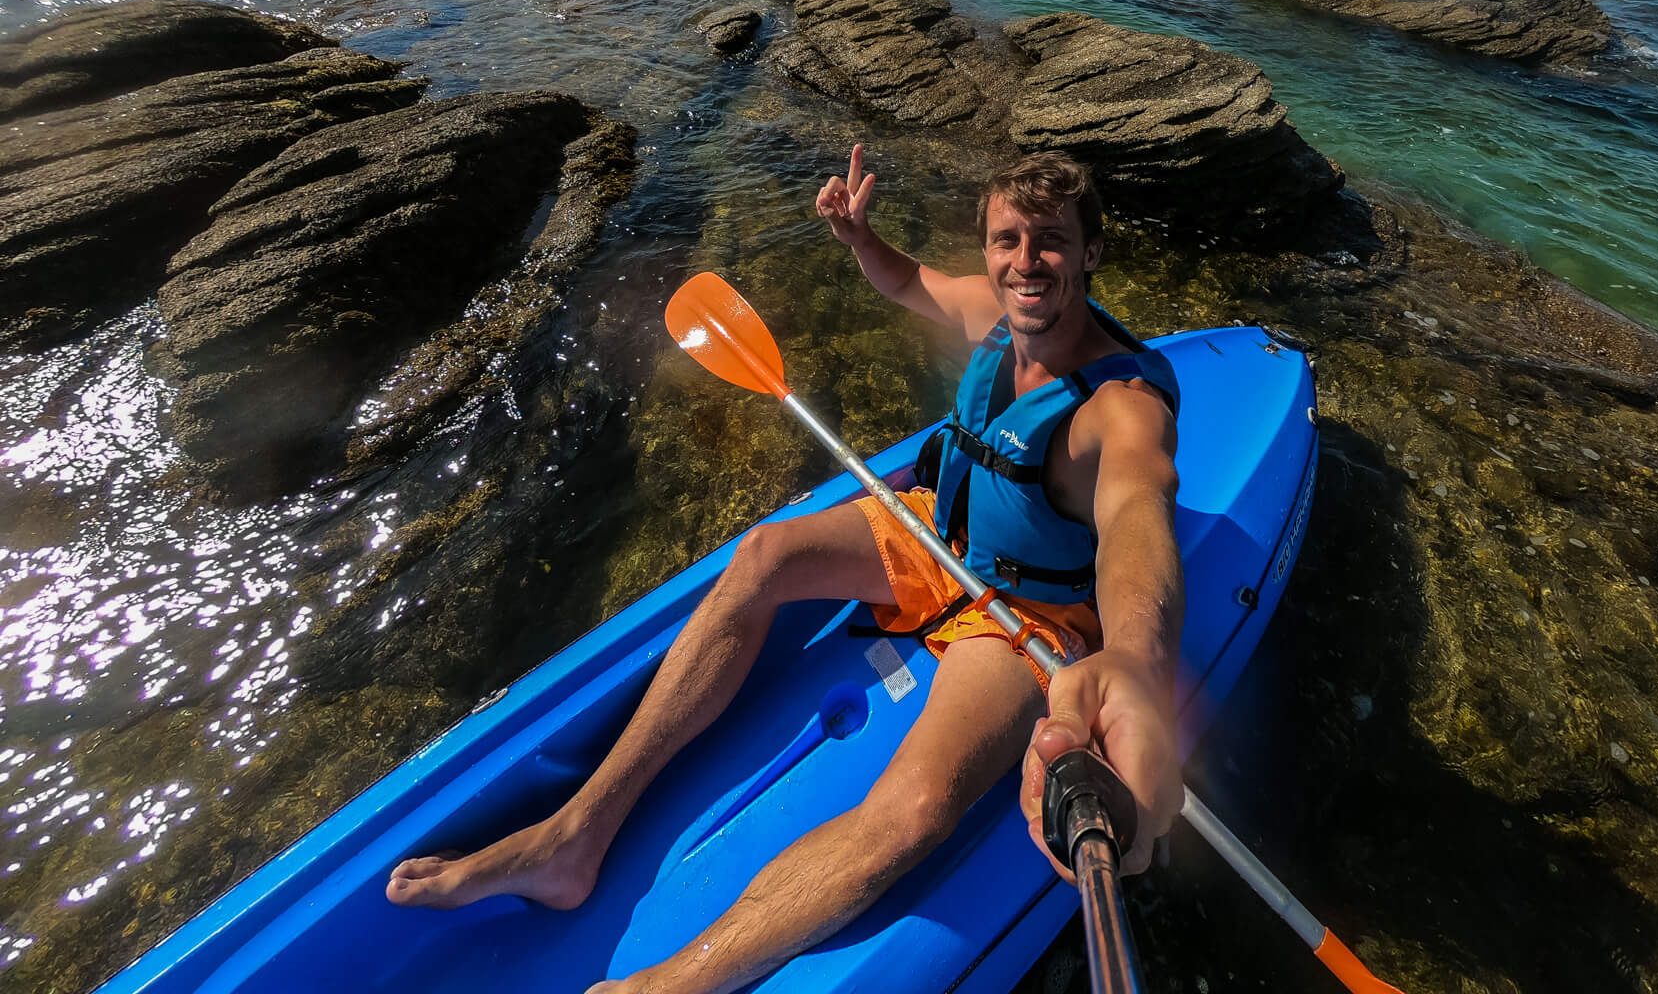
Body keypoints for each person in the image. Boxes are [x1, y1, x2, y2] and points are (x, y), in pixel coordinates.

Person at [386, 148, 1186, 994]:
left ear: (1091, 254)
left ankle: (665, 986)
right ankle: (572, 837)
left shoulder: (1120, 408)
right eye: (1006, 239)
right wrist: (858, 240)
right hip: (940, 536)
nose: (1025, 262)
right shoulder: (991, 310)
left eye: (1050, 242)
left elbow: (1140, 511)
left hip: (1023, 611)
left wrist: (1135, 659)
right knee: (765, 552)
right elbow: (909, 281)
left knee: (915, 810)